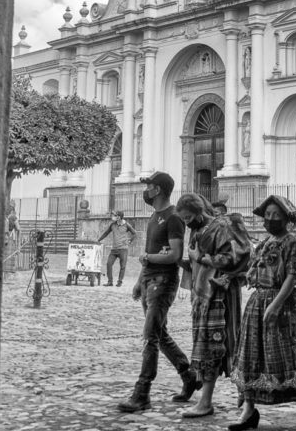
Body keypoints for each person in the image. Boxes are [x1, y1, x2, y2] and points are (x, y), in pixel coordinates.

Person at [228, 195, 296, 431]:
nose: (270, 219)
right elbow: (253, 271)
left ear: (286, 218)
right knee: (252, 355)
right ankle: (249, 410)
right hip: (258, 303)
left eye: (276, 215)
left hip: (282, 305)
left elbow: (292, 277)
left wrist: (276, 305)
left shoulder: (292, 243)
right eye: (268, 215)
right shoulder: (264, 243)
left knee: (295, 354)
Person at [118, 171, 200, 413]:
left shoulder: (173, 218)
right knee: (160, 335)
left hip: (163, 282)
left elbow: (175, 254)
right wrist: (139, 281)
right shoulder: (155, 216)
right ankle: (189, 375)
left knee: (151, 337)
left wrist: (148, 258)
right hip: (149, 280)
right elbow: (150, 253)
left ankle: (142, 392)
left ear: (159, 190)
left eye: (150, 186)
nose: (146, 190)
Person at [175, 193, 252, 418]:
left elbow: (232, 258)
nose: (187, 222)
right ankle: (224, 397)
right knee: (209, 346)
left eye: (189, 217)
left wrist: (202, 258)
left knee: (223, 344)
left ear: (200, 212)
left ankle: (233, 397)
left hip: (219, 295)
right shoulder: (198, 231)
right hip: (202, 297)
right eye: (184, 219)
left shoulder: (221, 227)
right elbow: (196, 261)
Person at [97, 209, 136, 287]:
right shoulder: (112, 225)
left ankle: (119, 282)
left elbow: (134, 233)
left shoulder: (127, 225)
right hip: (114, 249)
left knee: (122, 266)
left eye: (115, 215)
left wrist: (129, 241)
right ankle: (110, 282)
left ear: (119, 217)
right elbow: (106, 233)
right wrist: (98, 240)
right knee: (109, 264)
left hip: (123, 249)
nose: (113, 217)